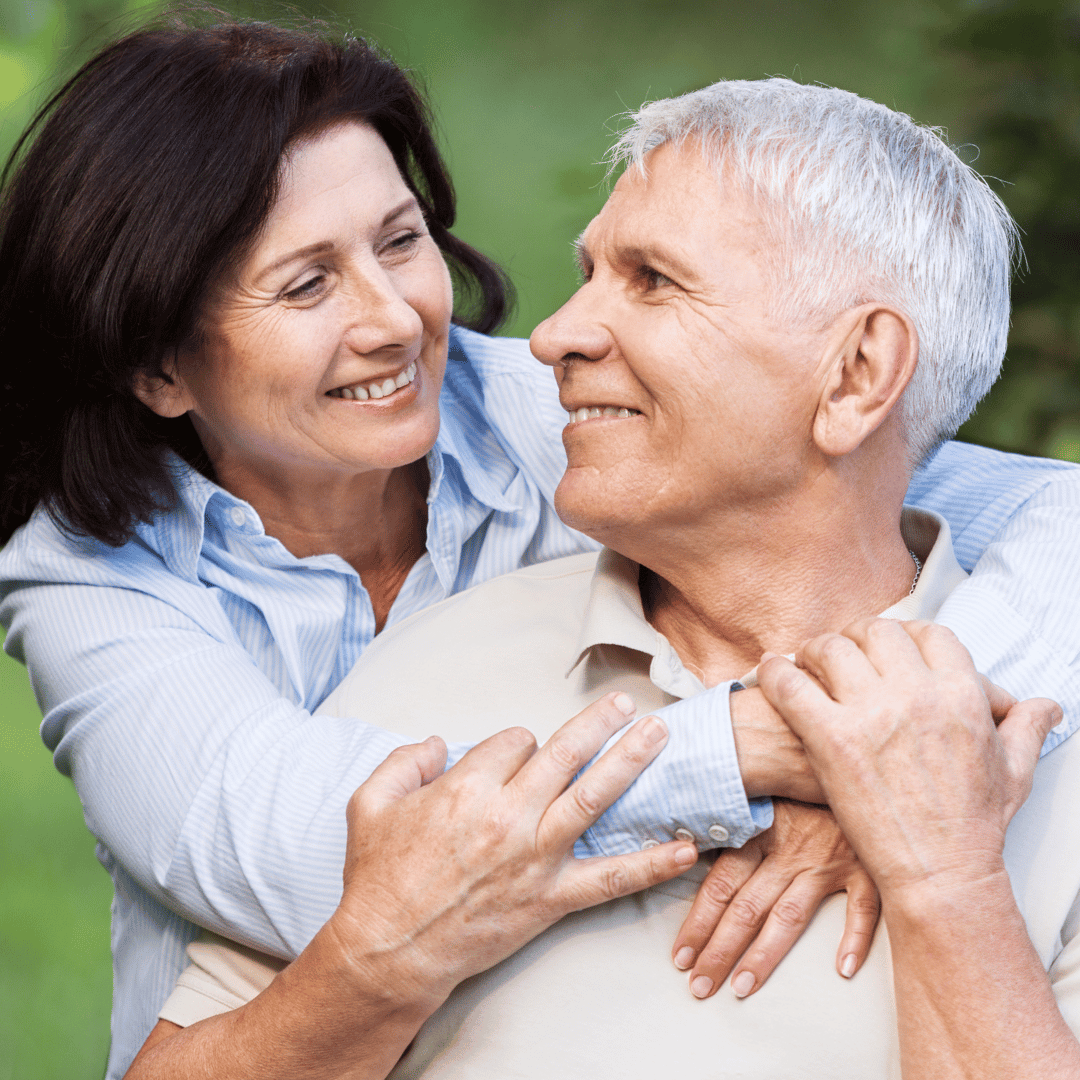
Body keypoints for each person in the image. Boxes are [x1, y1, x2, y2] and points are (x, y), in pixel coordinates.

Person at [0, 14, 1075, 1077]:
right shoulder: (99, 581)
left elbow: (998, 496)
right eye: (305, 283)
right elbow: (318, 853)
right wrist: (764, 752)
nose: (400, 320)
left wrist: (907, 756)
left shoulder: (572, 422)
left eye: (400, 239)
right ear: (159, 368)